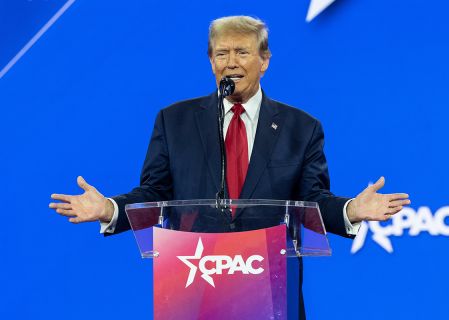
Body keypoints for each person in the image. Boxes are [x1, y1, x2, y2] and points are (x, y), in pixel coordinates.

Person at [49, 15, 410, 318]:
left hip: (269, 291)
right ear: (210, 61)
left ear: (264, 60)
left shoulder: (302, 128)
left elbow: (312, 200)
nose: (231, 61)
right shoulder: (174, 121)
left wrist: (351, 210)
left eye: (242, 51)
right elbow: (154, 194)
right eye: (221, 53)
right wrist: (109, 209)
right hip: (194, 289)